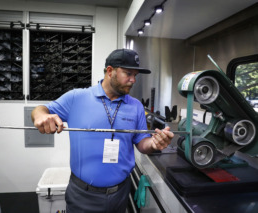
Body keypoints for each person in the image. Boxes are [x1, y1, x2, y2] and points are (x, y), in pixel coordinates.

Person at [31, 48, 174, 213]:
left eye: (135, 75)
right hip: (82, 195)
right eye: (128, 73)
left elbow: (141, 143)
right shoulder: (77, 98)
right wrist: (41, 116)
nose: (133, 80)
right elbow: (41, 109)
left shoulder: (136, 106)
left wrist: (155, 143)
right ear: (110, 71)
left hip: (120, 193)